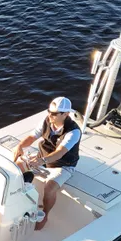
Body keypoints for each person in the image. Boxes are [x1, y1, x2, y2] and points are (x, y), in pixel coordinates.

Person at [12, 96, 81, 230]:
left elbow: (60, 152)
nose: (50, 115)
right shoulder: (46, 121)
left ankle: (44, 215)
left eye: (54, 113)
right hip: (42, 157)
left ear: (66, 114)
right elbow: (32, 136)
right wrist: (20, 146)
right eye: (49, 111)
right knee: (17, 167)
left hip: (63, 165)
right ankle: (17, 199)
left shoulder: (74, 132)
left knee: (49, 188)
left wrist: (41, 161)